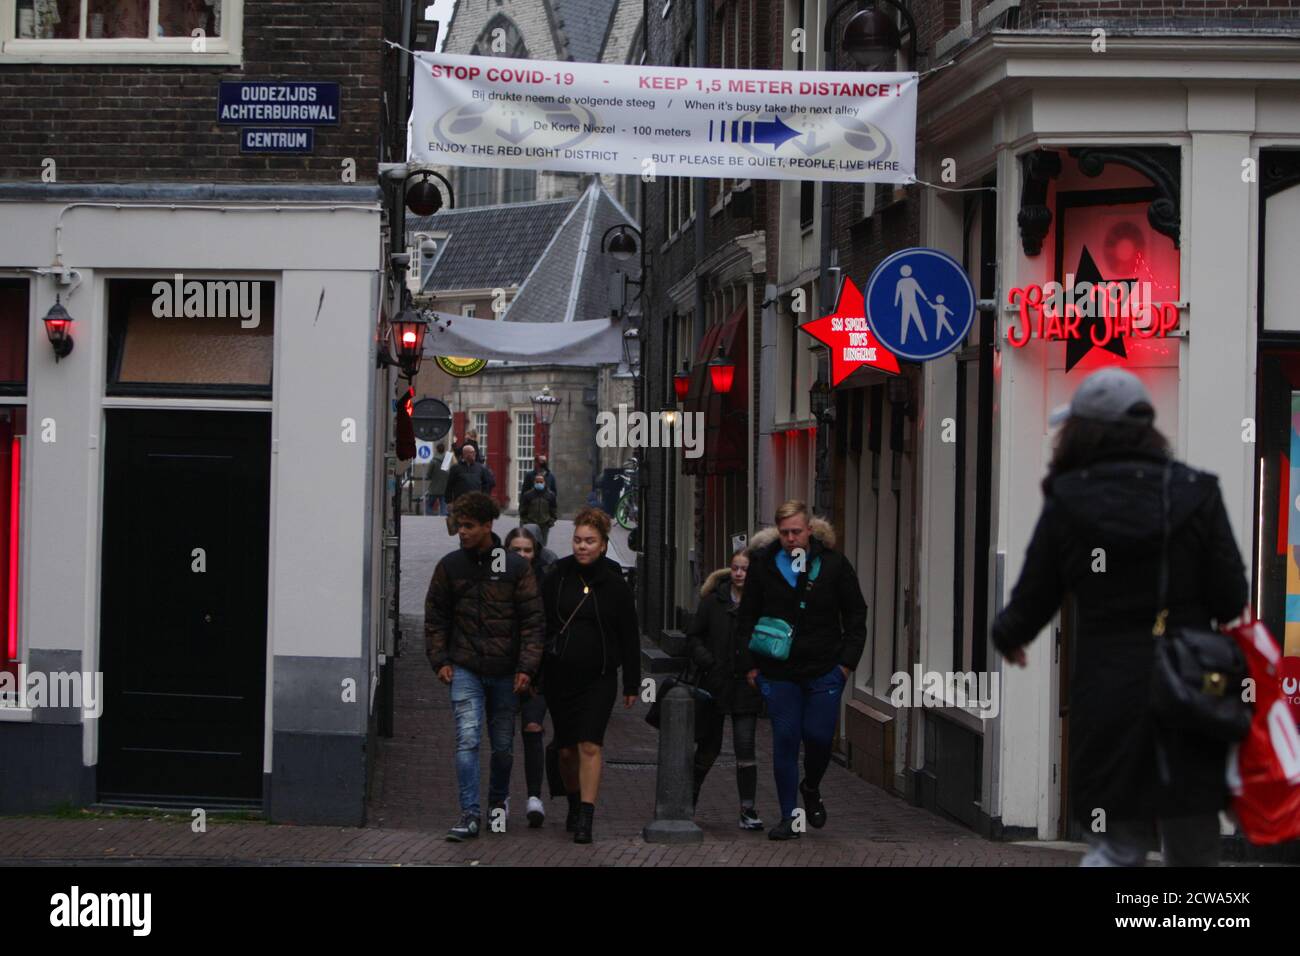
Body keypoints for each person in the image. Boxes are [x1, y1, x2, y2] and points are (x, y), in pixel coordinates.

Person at [991, 367, 1248, 867]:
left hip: (1109, 688)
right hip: (1195, 690)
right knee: (1194, 843)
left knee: (1117, 842)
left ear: (1085, 432)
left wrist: (1011, 635)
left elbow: (1036, 592)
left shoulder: (1069, 498)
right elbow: (1230, 596)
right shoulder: (1198, 492)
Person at [737, 500, 868, 841]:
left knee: (820, 737)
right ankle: (788, 817)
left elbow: (856, 614)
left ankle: (810, 786)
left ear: (810, 530)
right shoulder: (764, 566)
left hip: (826, 670)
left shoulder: (833, 565)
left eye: (797, 531)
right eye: (784, 533)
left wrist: (845, 665)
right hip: (778, 672)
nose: (791, 538)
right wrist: (751, 667)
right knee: (785, 740)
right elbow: (746, 617)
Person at [425, 492, 544, 841]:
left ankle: (495, 807)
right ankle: (470, 813)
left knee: (504, 746)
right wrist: (440, 661)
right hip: (465, 667)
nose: (461, 532)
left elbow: (532, 621)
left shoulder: (514, 567)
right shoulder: (450, 567)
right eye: (459, 525)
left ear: (487, 526)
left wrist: (526, 667)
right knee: (468, 738)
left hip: (507, 670)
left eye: (468, 526)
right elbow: (436, 617)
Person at [540, 507, 641, 844]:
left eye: (590, 541)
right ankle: (572, 800)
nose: (582, 546)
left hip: (599, 678)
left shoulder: (615, 584)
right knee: (566, 750)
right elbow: (541, 624)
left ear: (602, 544)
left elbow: (629, 634)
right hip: (559, 676)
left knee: (589, 744)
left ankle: (586, 816)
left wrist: (632, 682)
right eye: (578, 540)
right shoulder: (557, 576)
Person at [686, 548, 763, 830]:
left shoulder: (759, 604)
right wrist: (707, 661)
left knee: (745, 748)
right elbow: (693, 636)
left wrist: (758, 667)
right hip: (714, 684)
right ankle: (687, 802)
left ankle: (748, 809)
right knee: (708, 748)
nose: (739, 573)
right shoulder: (712, 602)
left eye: (744, 568)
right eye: (735, 568)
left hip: (746, 685)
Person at [505, 526, 553, 829]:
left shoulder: (545, 582)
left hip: (538, 669)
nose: (522, 555)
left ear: (535, 553)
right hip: (504, 670)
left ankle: (534, 797)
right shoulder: (498, 581)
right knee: (503, 735)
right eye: (516, 550)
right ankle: (502, 798)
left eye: (527, 550)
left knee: (533, 728)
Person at [519, 469, 558, 546]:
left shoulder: (550, 495)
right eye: (537, 482)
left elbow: (554, 509)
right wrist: (525, 521)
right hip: (531, 523)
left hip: (544, 524)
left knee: (543, 545)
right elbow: (522, 509)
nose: (539, 483)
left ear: (544, 482)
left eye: (541, 482)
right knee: (530, 543)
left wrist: (551, 521)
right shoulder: (528, 495)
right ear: (534, 483)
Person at [425, 441, 449, 515]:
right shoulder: (446, 460)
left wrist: (429, 477)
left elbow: (429, 474)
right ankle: (442, 520)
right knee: (443, 506)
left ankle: (430, 519)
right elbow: (447, 473)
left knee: (429, 505)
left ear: (436, 449)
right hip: (444, 487)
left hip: (434, 488)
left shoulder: (433, 461)